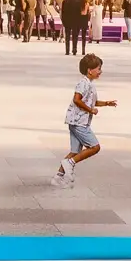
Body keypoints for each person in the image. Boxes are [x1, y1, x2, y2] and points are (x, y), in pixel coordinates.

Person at [52, 53, 113, 189]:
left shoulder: (89, 84)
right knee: (94, 147)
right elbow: (77, 100)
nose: (100, 71)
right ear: (89, 70)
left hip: (77, 121)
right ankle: (70, 163)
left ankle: (58, 177)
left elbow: (91, 101)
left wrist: (106, 103)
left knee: (75, 151)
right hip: (79, 122)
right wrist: (90, 110)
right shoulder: (83, 84)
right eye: (98, 69)